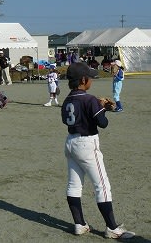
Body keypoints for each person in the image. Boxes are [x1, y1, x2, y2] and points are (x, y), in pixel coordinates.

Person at [61, 62, 135, 239]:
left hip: (71, 142)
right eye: (90, 78)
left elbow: (69, 120)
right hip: (87, 144)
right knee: (102, 185)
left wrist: (99, 107)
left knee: (73, 185)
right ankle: (112, 228)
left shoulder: (67, 100)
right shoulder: (90, 99)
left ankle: (79, 224)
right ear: (83, 80)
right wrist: (101, 107)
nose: (91, 81)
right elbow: (103, 123)